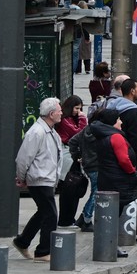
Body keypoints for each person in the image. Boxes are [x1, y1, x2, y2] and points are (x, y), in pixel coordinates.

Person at [12, 97, 63, 261]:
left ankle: (22, 241)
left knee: (43, 213)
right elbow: (23, 158)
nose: (61, 112)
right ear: (51, 113)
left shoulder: (50, 130)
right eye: (59, 110)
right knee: (51, 215)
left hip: (46, 178)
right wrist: (21, 177)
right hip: (40, 178)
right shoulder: (37, 132)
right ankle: (43, 251)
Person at [84, 106, 137, 256]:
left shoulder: (101, 134)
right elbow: (123, 159)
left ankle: (107, 245)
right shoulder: (115, 136)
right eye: (119, 119)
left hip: (106, 178)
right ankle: (111, 247)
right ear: (113, 121)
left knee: (110, 214)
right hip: (117, 180)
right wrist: (132, 171)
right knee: (115, 214)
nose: (121, 122)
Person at [53, 94, 89, 228]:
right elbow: (78, 133)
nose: (78, 111)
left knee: (72, 188)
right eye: (76, 108)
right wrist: (82, 118)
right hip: (67, 156)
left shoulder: (71, 119)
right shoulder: (65, 120)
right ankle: (65, 220)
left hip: (71, 155)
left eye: (80, 109)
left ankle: (69, 218)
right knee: (69, 188)